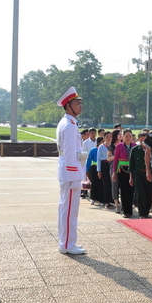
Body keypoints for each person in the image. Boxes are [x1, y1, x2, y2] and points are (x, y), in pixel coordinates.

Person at [55, 87, 88, 255]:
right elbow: (69, 154)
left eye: (81, 103)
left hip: (69, 171)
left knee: (66, 209)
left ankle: (67, 242)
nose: (80, 106)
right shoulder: (68, 126)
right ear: (68, 105)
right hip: (70, 173)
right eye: (77, 103)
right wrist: (75, 177)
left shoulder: (69, 123)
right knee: (69, 211)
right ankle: (67, 244)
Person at [129, 130, 152, 218]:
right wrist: (131, 178)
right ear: (138, 140)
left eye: (145, 140)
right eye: (141, 140)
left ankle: (146, 211)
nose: (143, 142)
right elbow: (131, 165)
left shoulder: (151, 149)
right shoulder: (135, 150)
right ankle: (142, 213)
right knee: (140, 193)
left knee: (149, 193)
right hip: (138, 173)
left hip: (149, 174)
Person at [112, 129, 135, 218]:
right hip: (122, 170)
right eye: (126, 136)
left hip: (131, 170)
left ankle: (130, 209)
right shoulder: (119, 146)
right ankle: (125, 211)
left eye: (130, 136)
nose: (128, 138)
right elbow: (115, 160)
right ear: (123, 137)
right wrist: (114, 172)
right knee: (124, 190)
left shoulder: (134, 146)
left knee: (131, 190)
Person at [97, 131, 114, 209]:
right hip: (104, 164)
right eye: (107, 136)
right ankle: (106, 202)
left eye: (110, 136)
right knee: (106, 183)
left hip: (111, 164)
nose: (109, 138)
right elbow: (98, 159)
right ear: (104, 137)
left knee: (112, 183)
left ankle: (111, 199)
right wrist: (99, 170)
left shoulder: (113, 146)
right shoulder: (101, 147)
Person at [86, 136, 103, 206]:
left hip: (103, 168)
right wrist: (87, 170)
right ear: (99, 143)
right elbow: (89, 160)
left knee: (101, 184)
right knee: (94, 184)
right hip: (94, 168)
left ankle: (101, 199)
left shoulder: (105, 149)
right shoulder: (93, 150)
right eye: (102, 141)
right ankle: (93, 198)